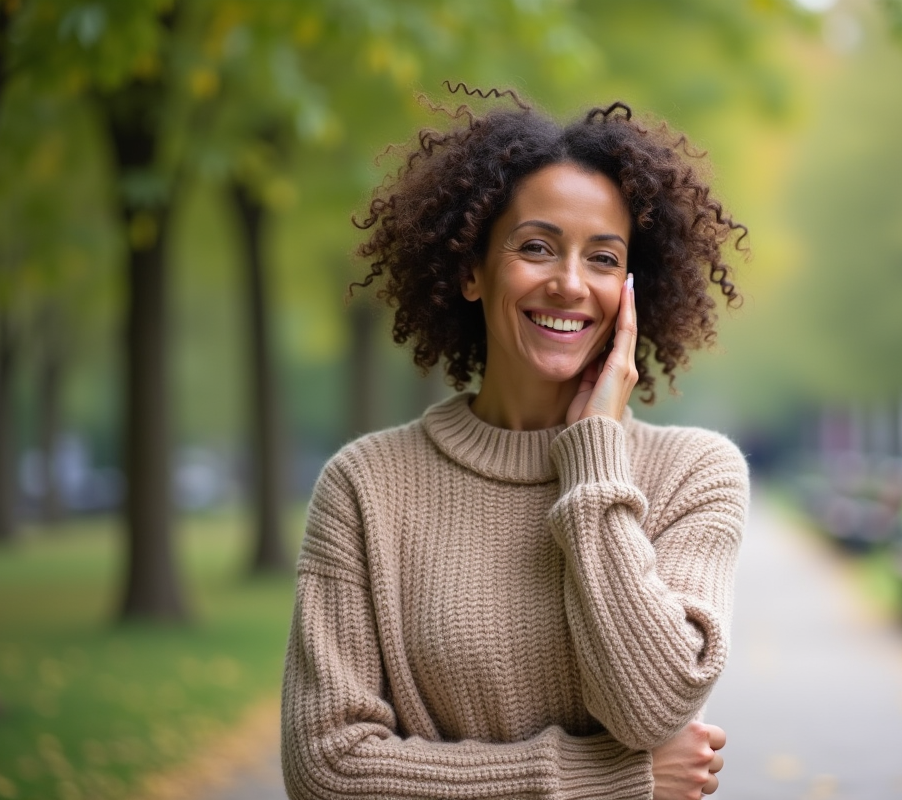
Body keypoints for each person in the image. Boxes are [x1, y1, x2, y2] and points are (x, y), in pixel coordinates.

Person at [281, 87, 750, 800]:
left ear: (632, 288)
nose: (568, 283)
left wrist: (593, 450)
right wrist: (610, 779)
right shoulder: (364, 485)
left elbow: (653, 706)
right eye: (537, 248)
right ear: (472, 270)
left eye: (602, 258)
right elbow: (328, 768)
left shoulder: (696, 474)